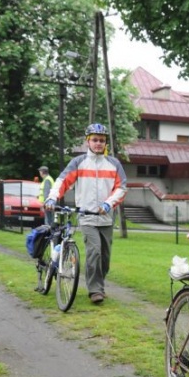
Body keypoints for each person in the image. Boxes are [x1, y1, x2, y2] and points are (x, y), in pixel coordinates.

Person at [45, 123, 127, 304]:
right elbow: (62, 181)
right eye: (95, 140)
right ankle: (95, 290)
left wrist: (108, 204)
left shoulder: (114, 164)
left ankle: (99, 284)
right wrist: (52, 197)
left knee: (104, 258)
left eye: (102, 141)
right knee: (94, 252)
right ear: (87, 141)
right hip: (87, 216)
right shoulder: (78, 162)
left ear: (106, 143)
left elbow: (121, 188)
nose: (98, 143)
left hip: (106, 217)